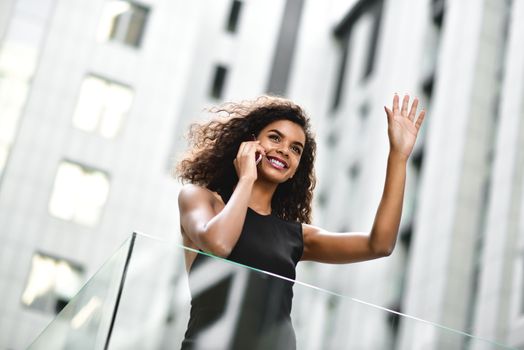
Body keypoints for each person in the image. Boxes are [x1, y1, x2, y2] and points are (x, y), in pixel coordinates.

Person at [175, 94, 425, 349]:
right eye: (275, 137)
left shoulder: (295, 236)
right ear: (249, 143)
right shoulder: (201, 200)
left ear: (295, 168)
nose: (284, 150)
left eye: (296, 149)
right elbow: (219, 244)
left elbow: (380, 245)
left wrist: (398, 157)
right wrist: (247, 178)